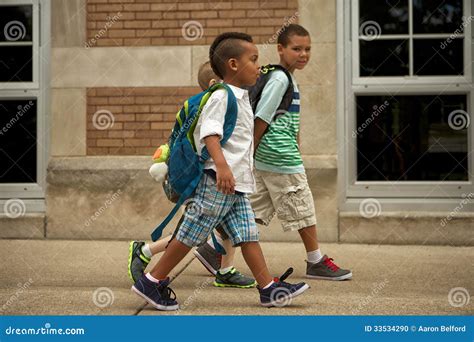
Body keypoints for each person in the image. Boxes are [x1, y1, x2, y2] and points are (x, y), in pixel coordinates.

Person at [131, 32, 309, 310]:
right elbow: (210, 135)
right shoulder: (222, 96)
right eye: (253, 60)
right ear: (233, 64)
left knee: (248, 234)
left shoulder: (241, 96)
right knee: (189, 235)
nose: (259, 68)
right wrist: (223, 167)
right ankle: (152, 281)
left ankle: (268, 289)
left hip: (235, 185)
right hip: (218, 182)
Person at [128, 61, 256, 289]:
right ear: (215, 83)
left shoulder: (211, 103)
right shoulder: (213, 103)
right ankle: (146, 253)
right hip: (206, 177)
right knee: (193, 231)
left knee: (221, 228)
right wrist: (222, 166)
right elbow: (208, 139)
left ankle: (226, 270)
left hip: (217, 176)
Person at [250, 24, 352, 281]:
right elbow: (262, 115)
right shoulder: (281, 78)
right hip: (279, 156)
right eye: (296, 49)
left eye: (307, 49)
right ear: (280, 49)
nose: (303, 54)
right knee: (302, 206)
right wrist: (251, 147)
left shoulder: (286, 77)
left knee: (252, 212)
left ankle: (212, 249)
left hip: (268, 155)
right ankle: (315, 260)